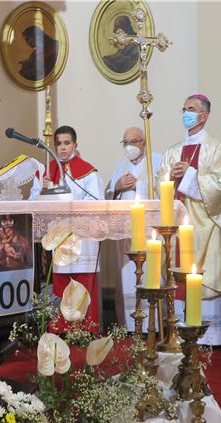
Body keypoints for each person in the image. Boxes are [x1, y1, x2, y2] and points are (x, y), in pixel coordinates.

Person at [155, 94, 221, 346]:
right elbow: (160, 185)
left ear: (204, 116)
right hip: (180, 222)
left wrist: (191, 175)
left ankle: (213, 335)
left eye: (191, 109)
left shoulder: (215, 147)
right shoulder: (172, 151)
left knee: (208, 271)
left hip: (207, 224)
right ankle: (180, 330)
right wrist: (170, 175)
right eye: (184, 109)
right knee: (177, 272)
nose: (186, 113)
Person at [46, 125, 104, 333]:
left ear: (75, 145)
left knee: (85, 281)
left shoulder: (88, 172)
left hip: (84, 238)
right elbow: (37, 202)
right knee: (63, 282)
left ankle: (87, 327)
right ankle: (63, 329)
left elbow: (97, 203)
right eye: (59, 144)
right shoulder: (48, 172)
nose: (62, 148)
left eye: (67, 143)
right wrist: (44, 188)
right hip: (60, 238)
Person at [107, 126, 163, 332]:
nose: (130, 146)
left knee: (152, 273)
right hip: (126, 233)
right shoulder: (121, 166)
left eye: (134, 141)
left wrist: (140, 186)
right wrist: (118, 187)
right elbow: (108, 193)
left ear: (144, 143)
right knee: (127, 276)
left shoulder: (157, 161)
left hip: (150, 230)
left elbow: (164, 190)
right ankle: (129, 324)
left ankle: (154, 325)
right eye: (126, 143)